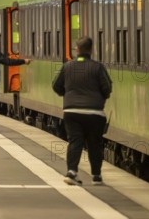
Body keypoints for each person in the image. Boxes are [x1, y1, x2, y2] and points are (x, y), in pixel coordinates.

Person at [52, 36, 112, 186]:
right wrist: (100, 97)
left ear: (76, 49)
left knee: (75, 141)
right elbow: (107, 88)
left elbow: (56, 85)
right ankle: (96, 176)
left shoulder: (67, 66)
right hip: (94, 113)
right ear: (91, 50)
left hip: (72, 112)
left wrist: (66, 94)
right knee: (95, 144)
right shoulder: (98, 67)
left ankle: (71, 172)